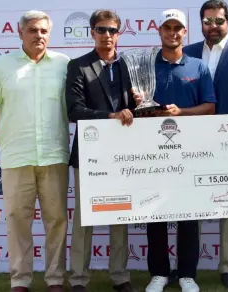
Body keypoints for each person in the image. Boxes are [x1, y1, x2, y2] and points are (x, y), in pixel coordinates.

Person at [0, 10, 70, 292]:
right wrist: (9, 132)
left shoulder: (64, 65)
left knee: (56, 221)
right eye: (32, 30)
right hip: (17, 156)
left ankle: (54, 279)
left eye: (43, 31)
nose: (38, 35)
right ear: (20, 33)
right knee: (18, 221)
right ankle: (20, 280)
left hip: (54, 155)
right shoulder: (1, 66)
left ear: (49, 34)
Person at [180, 0, 228, 289]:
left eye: (219, 21)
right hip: (191, 142)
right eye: (208, 21)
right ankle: (188, 268)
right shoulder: (186, 52)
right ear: (201, 22)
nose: (213, 26)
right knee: (191, 206)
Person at [137, 9, 216, 292]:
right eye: (167, 27)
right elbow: (132, 109)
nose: (172, 32)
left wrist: (181, 112)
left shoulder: (198, 67)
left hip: (189, 152)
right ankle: (158, 273)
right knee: (155, 213)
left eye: (178, 28)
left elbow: (210, 107)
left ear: (185, 32)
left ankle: (186, 275)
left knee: (187, 214)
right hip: (151, 152)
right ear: (159, 31)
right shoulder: (144, 67)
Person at [65, 9, 137, 292]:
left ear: (118, 34)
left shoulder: (129, 67)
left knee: (119, 215)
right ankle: (79, 279)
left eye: (112, 30)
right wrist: (109, 117)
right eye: (101, 29)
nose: (107, 35)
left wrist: (140, 101)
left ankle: (120, 276)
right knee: (84, 218)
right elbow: (74, 111)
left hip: (123, 154)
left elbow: (137, 110)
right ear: (92, 32)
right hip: (89, 154)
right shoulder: (78, 66)